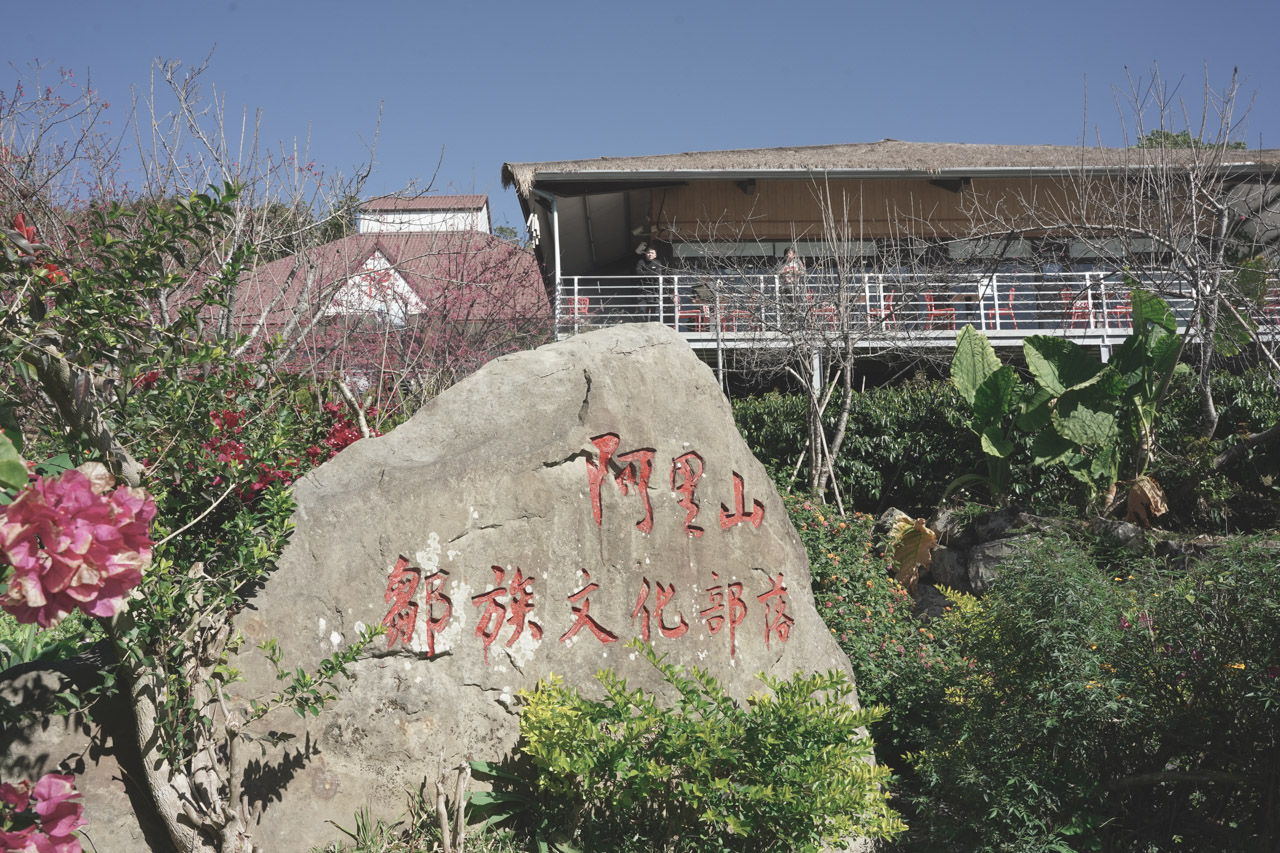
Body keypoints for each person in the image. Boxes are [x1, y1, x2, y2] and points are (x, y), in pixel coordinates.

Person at [635, 245, 663, 321]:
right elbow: (638, 273)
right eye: (648, 253)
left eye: (652, 253)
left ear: (655, 255)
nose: (650, 254)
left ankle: (654, 329)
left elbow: (658, 274)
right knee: (642, 311)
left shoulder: (658, 262)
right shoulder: (641, 262)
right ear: (645, 254)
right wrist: (652, 272)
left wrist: (645, 273)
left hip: (654, 291)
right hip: (642, 290)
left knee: (655, 312)